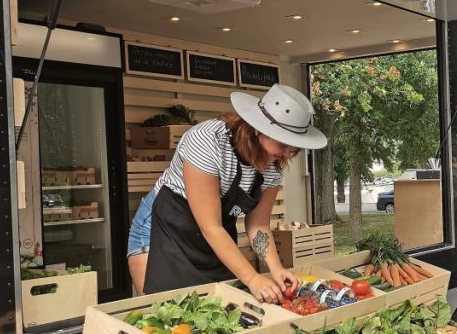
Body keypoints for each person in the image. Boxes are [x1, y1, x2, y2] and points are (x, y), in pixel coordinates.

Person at [126, 83, 327, 301]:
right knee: (164, 313)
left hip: (212, 238)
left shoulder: (272, 168)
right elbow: (210, 226)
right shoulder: (206, 141)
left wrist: (276, 268)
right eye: (283, 143)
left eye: (294, 147)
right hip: (162, 233)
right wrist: (251, 278)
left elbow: (258, 225)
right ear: (259, 128)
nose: (288, 154)